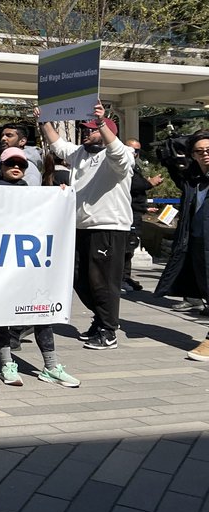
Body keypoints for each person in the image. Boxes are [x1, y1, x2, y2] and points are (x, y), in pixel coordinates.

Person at [40, 103, 134, 351]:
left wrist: (102, 123)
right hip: (80, 227)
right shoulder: (81, 153)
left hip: (108, 227)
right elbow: (58, 144)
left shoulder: (120, 154)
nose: (86, 133)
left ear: (106, 133)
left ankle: (109, 330)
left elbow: (116, 152)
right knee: (80, 279)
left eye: (91, 130)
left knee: (103, 282)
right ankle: (101, 319)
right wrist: (44, 120)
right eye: (86, 129)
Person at [0, 148, 80, 388]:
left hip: (29, 264)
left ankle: (51, 366)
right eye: (11, 163)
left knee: (42, 312)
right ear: (2, 165)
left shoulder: (33, 193)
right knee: (1, 314)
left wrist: (58, 198)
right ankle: (7, 363)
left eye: (21, 164)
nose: (16, 167)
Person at [155, 131, 209, 361]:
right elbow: (167, 155)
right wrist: (183, 140)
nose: (205, 154)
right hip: (197, 242)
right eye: (199, 151)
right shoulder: (192, 179)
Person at [123, 138, 162, 292]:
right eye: (132, 150)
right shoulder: (122, 166)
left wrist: (145, 208)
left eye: (137, 151)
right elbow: (131, 185)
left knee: (130, 247)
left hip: (136, 212)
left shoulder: (134, 167)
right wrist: (149, 183)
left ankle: (125, 277)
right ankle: (120, 279)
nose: (135, 154)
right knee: (125, 248)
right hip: (127, 214)